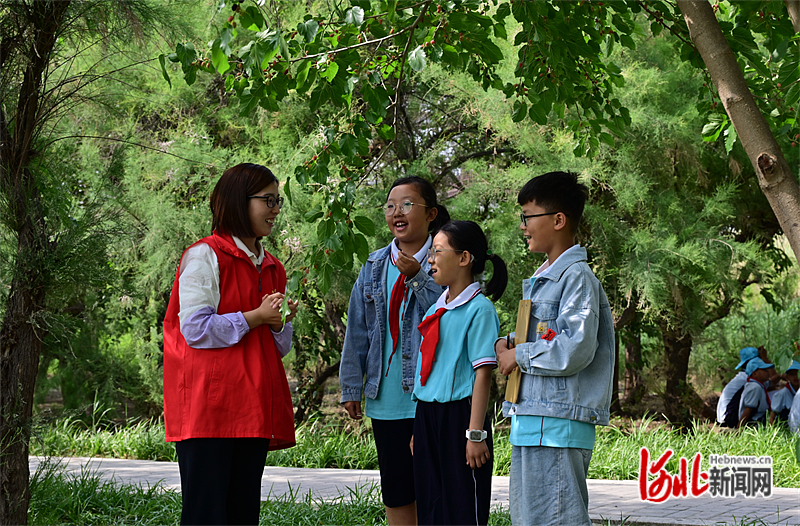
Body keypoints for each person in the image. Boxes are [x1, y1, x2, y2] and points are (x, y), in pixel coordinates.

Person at [163, 163, 298, 526]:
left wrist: (279, 321)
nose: (275, 209)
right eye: (267, 200)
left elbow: (278, 348)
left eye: (277, 200)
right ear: (239, 201)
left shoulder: (272, 266)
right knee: (206, 516)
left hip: (252, 409)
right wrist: (255, 316)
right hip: (208, 411)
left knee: (242, 515)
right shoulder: (204, 256)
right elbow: (194, 329)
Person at [495, 171, 614, 526]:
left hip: (557, 425)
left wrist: (520, 355)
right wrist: (511, 345)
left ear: (558, 220)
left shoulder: (576, 277)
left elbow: (575, 346)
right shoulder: (545, 278)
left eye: (528, 216)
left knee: (557, 519)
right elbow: (550, 338)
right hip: (535, 420)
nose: (523, 226)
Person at [339, 176, 449, 526]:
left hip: (430, 399)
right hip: (385, 403)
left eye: (406, 205)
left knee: (434, 494)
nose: (396, 212)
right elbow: (357, 330)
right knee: (397, 492)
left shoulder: (447, 260)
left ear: (431, 213)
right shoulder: (373, 265)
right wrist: (351, 386)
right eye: (390, 205)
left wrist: (418, 276)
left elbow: (449, 315)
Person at [410, 220, 507, 526]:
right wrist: (418, 428)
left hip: (462, 418)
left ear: (464, 258)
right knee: (430, 505)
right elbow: (428, 376)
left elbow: (483, 374)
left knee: (463, 505)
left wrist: (475, 434)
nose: (431, 259)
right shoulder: (435, 310)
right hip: (428, 416)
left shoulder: (480, 310)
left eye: (438, 251)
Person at [716, 346, 759, 428]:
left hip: (723, 417)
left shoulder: (743, 376)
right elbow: (772, 381)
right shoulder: (747, 378)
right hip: (728, 418)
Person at [737, 357, 775, 427]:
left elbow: (773, 381)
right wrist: (740, 427)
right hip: (754, 423)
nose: (768, 372)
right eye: (764, 370)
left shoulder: (758, 385)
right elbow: (748, 409)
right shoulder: (755, 387)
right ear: (754, 373)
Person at [770, 360, 799, 424]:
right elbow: (772, 415)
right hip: (786, 428)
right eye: (791, 374)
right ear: (787, 377)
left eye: (797, 373)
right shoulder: (781, 394)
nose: (795, 376)